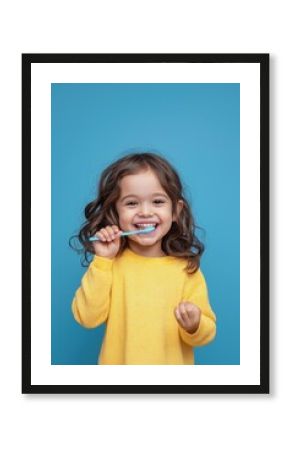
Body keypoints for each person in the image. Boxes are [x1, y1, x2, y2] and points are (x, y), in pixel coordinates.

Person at [70, 152, 216, 364]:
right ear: (115, 211)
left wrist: (194, 324)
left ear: (176, 210)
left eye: (157, 201)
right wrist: (102, 261)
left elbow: (207, 333)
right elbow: (87, 318)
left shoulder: (186, 270)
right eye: (131, 203)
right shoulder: (109, 265)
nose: (145, 212)